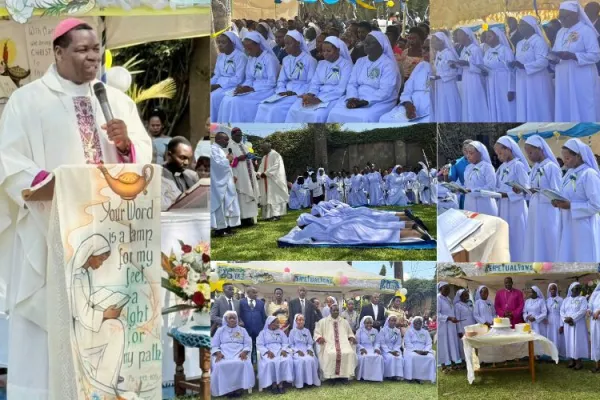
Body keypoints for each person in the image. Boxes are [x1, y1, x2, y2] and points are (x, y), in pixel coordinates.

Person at [0, 19, 153, 399]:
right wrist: (45, 182)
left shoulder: (116, 102)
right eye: (82, 50)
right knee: (50, 326)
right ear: (58, 52)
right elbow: (8, 160)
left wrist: (125, 148)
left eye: (96, 49)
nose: (92, 57)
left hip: (109, 233)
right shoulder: (29, 99)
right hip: (51, 228)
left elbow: (142, 157)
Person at [70, 235, 125, 388]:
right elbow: (82, 313)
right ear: (90, 255)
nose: (100, 264)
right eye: (100, 259)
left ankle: (108, 374)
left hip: (86, 325)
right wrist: (105, 314)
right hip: (80, 331)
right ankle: (106, 381)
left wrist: (104, 307)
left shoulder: (84, 273)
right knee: (116, 328)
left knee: (116, 324)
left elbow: (87, 303)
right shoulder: (77, 277)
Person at [327, 31, 401, 123]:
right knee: (334, 112)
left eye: (371, 43)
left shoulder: (388, 65)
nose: (366, 45)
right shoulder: (360, 61)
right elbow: (352, 83)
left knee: (364, 117)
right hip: (357, 96)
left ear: (381, 46)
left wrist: (364, 102)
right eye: (366, 42)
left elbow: (385, 91)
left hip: (380, 100)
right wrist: (352, 97)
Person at [552, 138, 600, 262]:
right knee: (568, 256)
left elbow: (596, 205)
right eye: (564, 158)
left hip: (583, 226)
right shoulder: (568, 173)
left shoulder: (589, 174)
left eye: (567, 158)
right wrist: (556, 200)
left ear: (578, 156)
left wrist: (571, 206)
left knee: (583, 256)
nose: (565, 162)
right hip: (567, 223)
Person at [216, 32, 280, 123]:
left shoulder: (269, 59)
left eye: (250, 48)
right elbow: (249, 78)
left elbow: (272, 82)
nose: (247, 52)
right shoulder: (251, 58)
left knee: (235, 102)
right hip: (252, 88)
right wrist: (243, 87)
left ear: (258, 45)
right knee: (227, 99)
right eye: (245, 49)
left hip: (265, 90)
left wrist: (251, 88)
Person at [285, 36, 353, 123]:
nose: (325, 54)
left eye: (329, 51)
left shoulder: (346, 65)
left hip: (333, 97)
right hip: (318, 94)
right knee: (295, 109)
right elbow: (315, 83)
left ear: (338, 51)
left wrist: (319, 99)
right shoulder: (321, 63)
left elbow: (341, 89)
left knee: (317, 115)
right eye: (323, 51)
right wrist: (310, 94)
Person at [552, 1, 600, 122]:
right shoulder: (560, 32)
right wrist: (554, 58)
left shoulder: (586, 31)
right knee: (566, 104)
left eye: (564, 17)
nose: (561, 20)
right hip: (563, 77)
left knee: (583, 105)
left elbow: (595, 55)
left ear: (575, 15)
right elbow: (556, 50)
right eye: (560, 17)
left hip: (581, 77)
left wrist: (574, 56)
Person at [255, 30, 317, 123]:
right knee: (263, 106)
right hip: (285, 93)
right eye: (285, 44)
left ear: (298, 43)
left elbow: (312, 83)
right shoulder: (286, 59)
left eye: (289, 44)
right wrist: (281, 91)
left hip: (300, 93)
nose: (286, 47)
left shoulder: (310, 60)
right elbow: (281, 80)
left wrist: (296, 93)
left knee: (274, 110)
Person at [522, 135, 562, 261]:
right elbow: (531, 186)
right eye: (527, 153)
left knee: (548, 239)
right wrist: (526, 190)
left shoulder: (552, 167)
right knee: (535, 239)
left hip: (547, 210)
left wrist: (540, 191)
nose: (529, 156)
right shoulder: (534, 168)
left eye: (531, 152)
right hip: (534, 209)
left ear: (540, 149)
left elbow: (557, 191)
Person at [494, 136, 530, 261]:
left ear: (508, 149)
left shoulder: (518, 165)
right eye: (497, 153)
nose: (499, 156)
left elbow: (526, 188)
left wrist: (510, 193)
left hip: (516, 207)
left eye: (500, 152)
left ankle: (519, 259)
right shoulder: (502, 167)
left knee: (516, 235)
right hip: (503, 206)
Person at [380, 38, 431, 122]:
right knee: (385, 119)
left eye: (428, 49)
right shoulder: (420, 66)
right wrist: (408, 104)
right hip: (411, 105)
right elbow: (407, 90)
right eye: (423, 48)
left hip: (431, 110)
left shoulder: (446, 70)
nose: (424, 51)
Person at [513, 17, 554, 122]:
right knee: (525, 105)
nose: (519, 27)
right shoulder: (519, 43)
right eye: (519, 25)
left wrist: (524, 66)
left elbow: (543, 61)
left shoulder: (538, 41)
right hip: (522, 80)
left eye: (522, 25)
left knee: (537, 104)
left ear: (531, 26)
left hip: (537, 80)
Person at [211, 311, 255, 397]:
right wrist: (218, 353)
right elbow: (214, 344)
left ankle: (238, 388)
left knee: (242, 363)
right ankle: (227, 389)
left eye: (234, 318)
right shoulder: (220, 330)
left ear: (237, 319)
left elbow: (248, 343)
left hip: (239, 353)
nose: (232, 320)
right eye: (230, 318)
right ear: (226, 320)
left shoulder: (242, 330)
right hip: (224, 353)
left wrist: (244, 352)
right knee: (220, 365)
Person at [452, 27, 490, 122]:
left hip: (475, 80)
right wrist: (455, 65)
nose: (457, 37)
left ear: (468, 36)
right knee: (468, 102)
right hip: (466, 79)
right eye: (457, 35)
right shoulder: (464, 50)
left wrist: (468, 64)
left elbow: (482, 69)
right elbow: (462, 66)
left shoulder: (476, 49)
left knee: (475, 101)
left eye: (460, 34)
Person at [314, 303, 357, 383]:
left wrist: (352, 337)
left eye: (337, 310)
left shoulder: (344, 322)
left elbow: (350, 333)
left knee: (349, 352)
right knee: (331, 354)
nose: (336, 312)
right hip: (328, 344)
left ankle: (344, 376)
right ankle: (331, 377)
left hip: (343, 344)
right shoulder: (323, 321)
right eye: (334, 310)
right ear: (330, 311)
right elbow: (317, 333)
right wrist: (320, 338)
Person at [210, 32, 248, 122]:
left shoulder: (240, 57)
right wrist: (210, 84)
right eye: (219, 42)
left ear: (232, 43)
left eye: (223, 43)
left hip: (232, 85)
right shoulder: (220, 56)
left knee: (214, 96)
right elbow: (217, 74)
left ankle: (215, 122)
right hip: (219, 83)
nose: (220, 45)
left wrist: (218, 85)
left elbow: (238, 78)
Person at [227, 128, 259, 226]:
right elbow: (228, 161)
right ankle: (243, 219)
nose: (240, 137)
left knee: (250, 194)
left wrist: (252, 159)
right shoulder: (229, 146)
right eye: (237, 135)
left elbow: (247, 159)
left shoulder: (244, 146)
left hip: (248, 174)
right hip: (239, 175)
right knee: (242, 195)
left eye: (241, 135)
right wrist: (238, 159)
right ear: (232, 136)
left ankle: (249, 218)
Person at [211, 133, 241, 236]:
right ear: (219, 139)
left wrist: (231, 176)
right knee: (221, 205)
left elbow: (225, 166)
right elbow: (218, 166)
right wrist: (228, 159)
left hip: (226, 182)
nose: (228, 142)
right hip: (219, 184)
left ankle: (227, 228)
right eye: (226, 140)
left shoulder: (220, 150)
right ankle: (220, 230)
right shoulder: (213, 149)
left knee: (227, 205)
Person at [483, 28, 516, 122]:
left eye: (489, 36)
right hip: (491, 81)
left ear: (497, 37)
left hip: (503, 82)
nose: (487, 39)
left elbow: (511, 70)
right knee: (494, 105)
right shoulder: (487, 52)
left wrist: (511, 89)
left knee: (505, 106)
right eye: (486, 37)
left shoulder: (505, 50)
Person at [256, 316, 294, 394]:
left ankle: (280, 384)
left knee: (286, 360)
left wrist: (283, 349)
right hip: (269, 352)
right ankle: (273, 384)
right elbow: (259, 344)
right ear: (270, 323)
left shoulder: (280, 332)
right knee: (270, 363)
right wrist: (267, 352)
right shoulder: (263, 333)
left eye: (278, 322)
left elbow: (285, 342)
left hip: (280, 350)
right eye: (276, 322)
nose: (278, 324)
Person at [431, 32, 461, 122]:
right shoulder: (439, 54)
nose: (432, 44)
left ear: (441, 42)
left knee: (450, 106)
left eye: (434, 42)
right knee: (442, 106)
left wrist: (440, 76)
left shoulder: (449, 54)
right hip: (440, 85)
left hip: (448, 85)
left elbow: (454, 71)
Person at [463, 141, 498, 216]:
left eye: (471, 153)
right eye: (467, 153)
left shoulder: (487, 167)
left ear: (479, 153)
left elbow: (491, 188)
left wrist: (473, 191)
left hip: (484, 205)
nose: (468, 156)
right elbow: (466, 184)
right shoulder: (468, 168)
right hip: (469, 204)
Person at [256, 142, 289, 221]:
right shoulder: (264, 157)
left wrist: (266, 173)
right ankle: (268, 216)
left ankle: (276, 215)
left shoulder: (276, 155)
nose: (262, 150)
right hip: (265, 180)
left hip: (274, 181)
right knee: (267, 196)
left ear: (268, 147)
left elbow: (277, 166)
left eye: (263, 148)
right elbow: (261, 167)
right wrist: (259, 173)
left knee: (275, 197)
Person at [560, 282, 589, 370]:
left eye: (579, 288)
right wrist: (566, 319)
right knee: (569, 342)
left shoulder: (582, 299)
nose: (578, 290)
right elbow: (562, 311)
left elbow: (583, 310)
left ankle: (579, 362)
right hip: (568, 324)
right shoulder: (566, 300)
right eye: (576, 288)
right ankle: (571, 360)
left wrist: (572, 319)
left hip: (578, 324)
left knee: (577, 342)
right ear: (571, 289)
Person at [289, 314, 321, 388]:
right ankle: (301, 383)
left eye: (302, 320)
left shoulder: (307, 331)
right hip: (296, 350)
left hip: (306, 349)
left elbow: (310, 343)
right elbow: (291, 345)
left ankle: (310, 381)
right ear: (296, 321)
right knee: (301, 360)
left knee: (311, 359)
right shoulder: (292, 331)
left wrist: (309, 350)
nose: (301, 321)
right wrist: (297, 351)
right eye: (299, 320)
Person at [403, 316, 436, 383]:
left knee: (431, 358)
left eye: (420, 323)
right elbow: (407, 343)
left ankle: (426, 377)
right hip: (412, 350)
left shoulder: (425, 332)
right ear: (413, 323)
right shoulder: (409, 332)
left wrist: (426, 350)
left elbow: (429, 343)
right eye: (416, 322)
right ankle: (412, 377)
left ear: (422, 324)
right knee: (413, 357)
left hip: (424, 350)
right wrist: (416, 350)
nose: (418, 324)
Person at [437, 282, 461, 372]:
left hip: (451, 326)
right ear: (440, 289)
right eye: (445, 288)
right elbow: (437, 313)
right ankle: (443, 366)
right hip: (443, 326)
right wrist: (449, 318)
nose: (447, 290)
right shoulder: (438, 298)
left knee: (451, 344)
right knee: (443, 345)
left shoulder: (448, 298)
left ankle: (453, 364)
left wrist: (454, 318)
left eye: (448, 288)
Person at [239, 287, 266, 364]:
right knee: (247, 347)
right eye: (254, 292)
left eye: (256, 292)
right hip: (246, 330)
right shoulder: (241, 302)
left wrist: (264, 328)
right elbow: (239, 314)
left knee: (257, 347)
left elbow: (263, 316)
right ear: (248, 293)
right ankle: (248, 363)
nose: (256, 294)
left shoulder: (261, 303)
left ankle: (257, 363)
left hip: (258, 329)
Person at [355, 316, 384, 382]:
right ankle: (363, 376)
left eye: (370, 323)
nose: (369, 325)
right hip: (362, 349)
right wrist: (361, 348)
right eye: (367, 323)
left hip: (372, 348)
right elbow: (357, 343)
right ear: (363, 323)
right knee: (364, 357)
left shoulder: (375, 331)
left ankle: (376, 377)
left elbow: (377, 342)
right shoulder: (359, 331)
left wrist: (376, 348)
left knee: (379, 357)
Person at [378, 316, 403, 381]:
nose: (393, 322)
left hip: (395, 349)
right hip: (385, 350)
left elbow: (398, 343)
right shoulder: (383, 330)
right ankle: (389, 375)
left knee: (399, 357)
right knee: (390, 357)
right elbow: (382, 343)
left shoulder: (397, 331)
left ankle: (396, 375)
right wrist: (390, 351)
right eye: (391, 320)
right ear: (388, 321)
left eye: (395, 321)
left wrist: (395, 350)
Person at [454, 288, 476, 362]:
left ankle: (474, 359)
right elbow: (457, 319)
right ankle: (464, 361)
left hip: (472, 326)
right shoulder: (457, 305)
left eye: (467, 294)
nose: (467, 296)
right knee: (464, 344)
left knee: (473, 343)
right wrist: (459, 331)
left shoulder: (470, 303)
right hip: (463, 328)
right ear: (460, 296)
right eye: (464, 295)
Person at [524, 286, 548, 350]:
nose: (530, 294)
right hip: (529, 323)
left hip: (538, 323)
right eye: (529, 292)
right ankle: (531, 353)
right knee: (530, 337)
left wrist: (535, 318)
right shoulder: (527, 301)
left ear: (536, 293)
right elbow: (524, 312)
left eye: (532, 292)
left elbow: (544, 313)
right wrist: (526, 317)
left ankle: (539, 353)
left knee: (538, 337)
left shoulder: (541, 301)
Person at [545, 283, 566, 358]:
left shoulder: (560, 300)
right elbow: (545, 312)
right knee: (550, 337)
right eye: (551, 289)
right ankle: (551, 354)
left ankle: (558, 353)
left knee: (558, 336)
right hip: (549, 321)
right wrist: (545, 319)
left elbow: (562, 313)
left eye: (554, 289)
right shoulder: (547, 300)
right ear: (549, 290)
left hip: (558, 319)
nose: (553, 290)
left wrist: (561, 325)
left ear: (556, 290)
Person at [589, 283, 600, 373]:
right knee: (596, 342)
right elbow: (590, 304)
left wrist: (599, 311)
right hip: (595, 322)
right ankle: (597, 366)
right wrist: (589, 310)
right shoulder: (596, 293)